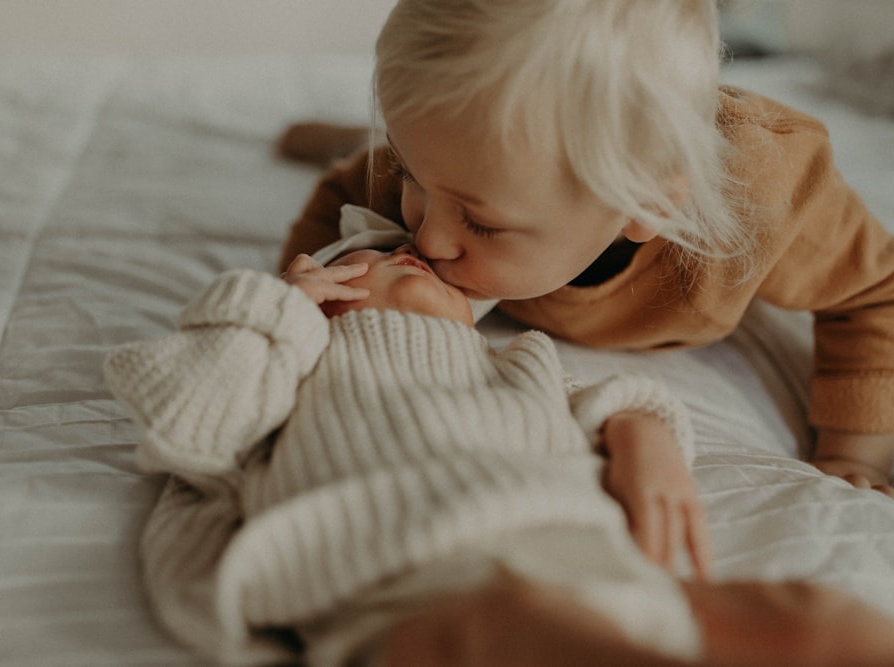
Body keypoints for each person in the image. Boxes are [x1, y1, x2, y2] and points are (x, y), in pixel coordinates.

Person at [105, 231, 894, 666]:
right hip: (418, 586)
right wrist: (277, 311)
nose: (406, 251)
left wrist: (642, 430)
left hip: (590, 567)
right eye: (370, 255)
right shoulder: (296, 359)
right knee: (512, 624)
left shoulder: (517, 358)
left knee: (823, 622)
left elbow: (609, 400)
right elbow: (187, 418)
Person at [276, 0, 894, 496]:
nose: (429, 238)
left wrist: (850, 448)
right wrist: (305, 306)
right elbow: (343, 197)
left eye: (482, 223)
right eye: (411, 175)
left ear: (647, 205)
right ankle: (363, 139)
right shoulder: (448, 177)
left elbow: (875, 289)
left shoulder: (771, 197)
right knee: (416, 161)